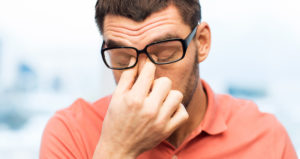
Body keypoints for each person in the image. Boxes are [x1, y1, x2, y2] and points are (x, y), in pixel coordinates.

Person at [39, 0, 297, 158]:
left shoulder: (265, 136)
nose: (143, 74)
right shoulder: (70, 133)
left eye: (164, 52)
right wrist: (117, 150)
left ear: (202, 42)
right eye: (122, 56)